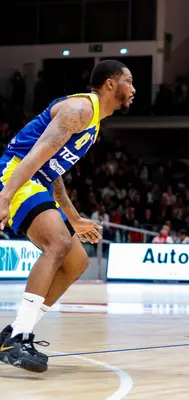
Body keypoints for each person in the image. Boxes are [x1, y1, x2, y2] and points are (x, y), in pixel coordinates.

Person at [0, 60, 135, 373]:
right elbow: (35, 155)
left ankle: (14, 332)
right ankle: (20, 337)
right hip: (16, 174)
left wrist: (73, 217)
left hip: (35, 179)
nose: (134, 88)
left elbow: (53, 168)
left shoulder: (93, 122)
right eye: (129, 81)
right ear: (111, 84)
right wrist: (5, 195)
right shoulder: (80, 109)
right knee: (58, 244)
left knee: (77, 262)